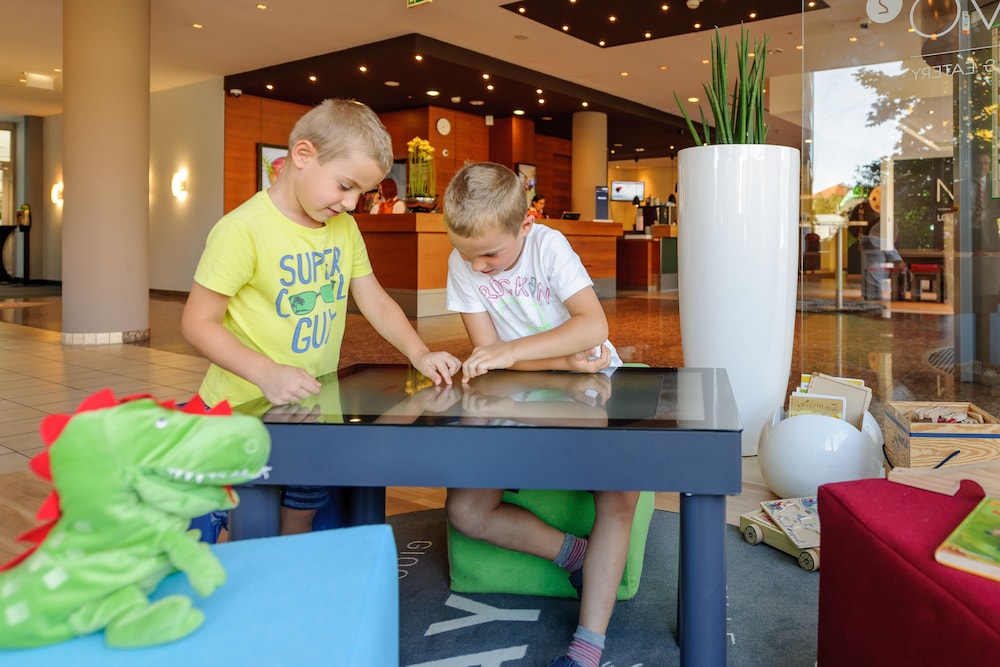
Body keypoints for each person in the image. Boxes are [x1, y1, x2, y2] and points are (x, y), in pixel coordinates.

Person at [181, 98, 461, 536]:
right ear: (302, 155)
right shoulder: (242, 230)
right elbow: (197, 323)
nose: (351, 203)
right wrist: (266, 372)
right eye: (345, 185)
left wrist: (419, 353)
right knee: (232, 520)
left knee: (303, 508)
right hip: (239, 410)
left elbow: (375, 300)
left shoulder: (344, 229)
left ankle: (296, 571)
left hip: (312, 408)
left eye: (361, 193)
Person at [441, 161, 636, 667]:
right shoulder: (464, 261)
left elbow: (593, 327)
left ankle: (588, 646)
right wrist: (557, 361)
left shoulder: (549, 246)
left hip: (593, 381)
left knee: (619, 497)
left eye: (490, 254)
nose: (477, 267)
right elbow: (489, 356)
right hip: (525, 385)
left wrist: (518, 354)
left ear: (526, 223)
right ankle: (575, 554)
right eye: (467, 254)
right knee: (465, 511)